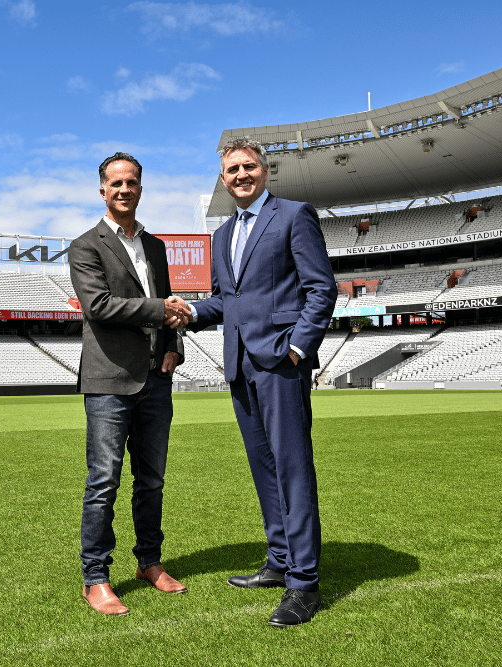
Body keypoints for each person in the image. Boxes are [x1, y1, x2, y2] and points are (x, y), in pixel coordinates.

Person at [169, 137, 336, 627]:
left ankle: (304, 583)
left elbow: (320, 287)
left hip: (281, 363)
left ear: (264, 170)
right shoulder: (220, 238)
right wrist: (193, 311)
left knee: (292, 469)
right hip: (240, 365)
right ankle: (280, 560)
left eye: (248, 167)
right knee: (264, 469)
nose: (241, 175)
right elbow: (228, 301)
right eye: (231, 170)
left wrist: (299, 348)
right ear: (222, 179)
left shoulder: (293, 215)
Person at [69, 152, 190, 616]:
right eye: (115, 183)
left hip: (156, 378)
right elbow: (99, 306)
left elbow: (166, 304)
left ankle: (149, 562)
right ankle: (95, 576)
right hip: (108, 380)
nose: (124, 189)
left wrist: (173, 344)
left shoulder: (156, 247)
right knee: (103, 481)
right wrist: (162, 311)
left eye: (131, 182)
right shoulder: (85, 246)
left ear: (141, 188)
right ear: (102, 190)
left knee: (152, 480)